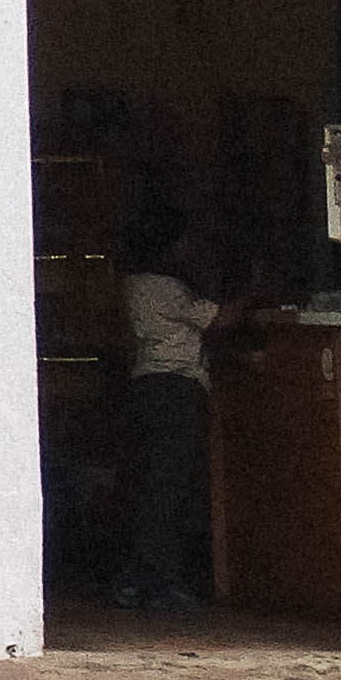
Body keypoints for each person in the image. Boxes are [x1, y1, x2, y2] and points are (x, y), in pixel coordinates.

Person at [112, 204, 249, 613]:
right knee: (170, 486)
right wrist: (251, 290)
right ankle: (157, 579)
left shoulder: (131, 285)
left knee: (155, 482)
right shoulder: (163, 289)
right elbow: (220, 320)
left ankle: (140, 578)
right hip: (174, 388)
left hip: (148, 385)